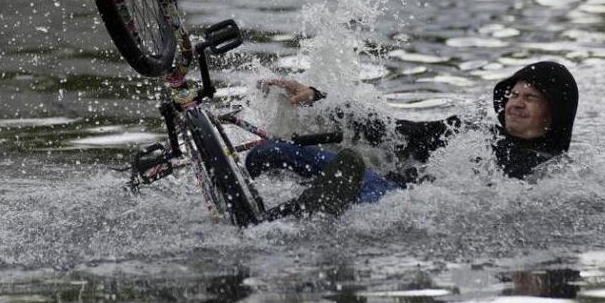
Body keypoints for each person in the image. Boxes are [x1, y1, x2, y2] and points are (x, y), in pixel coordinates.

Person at [247, 61, 579, 220]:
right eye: (514, 94)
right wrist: (319, 97)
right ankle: (242, 192)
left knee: (358, 182)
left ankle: (267, 222)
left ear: (555, 112)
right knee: (270, 152)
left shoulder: (549, 173)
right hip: (381, 182)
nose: (516, 103)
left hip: (396, 201)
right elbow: (395, 131)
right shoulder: (470, 132)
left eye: (531, 98)